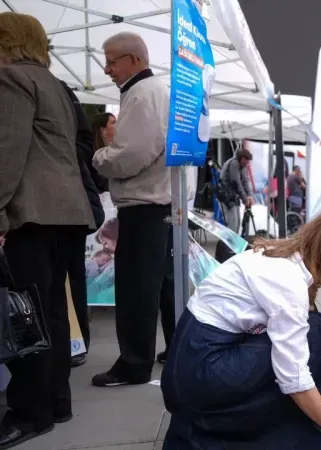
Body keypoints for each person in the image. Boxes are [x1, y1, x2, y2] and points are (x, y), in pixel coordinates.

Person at [161, 208, 321, 450]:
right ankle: (320, 437)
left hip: (189, 366)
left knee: (316, 332)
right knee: (312, 337)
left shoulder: (277, 257)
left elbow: (258, 321)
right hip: (200, 375)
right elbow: (293, 378)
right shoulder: (288, 281)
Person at [0, 12, 95, 447]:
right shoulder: (54, 84)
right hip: (66, 214)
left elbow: (7, 153)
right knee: (52, 312)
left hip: (33, 214)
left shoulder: (13, 79)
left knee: (25, 315)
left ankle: (30, 411)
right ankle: (56, 401)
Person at [91, 31, 175, 387]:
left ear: (135, 60)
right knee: (164, 286)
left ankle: (134, 363)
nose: (107, 69)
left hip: (145, 204)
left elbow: (131, 156)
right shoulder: (156, 91)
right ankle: (175, 350)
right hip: (162, 202)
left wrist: (100, 157)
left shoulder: (142, 94)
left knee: (137, 289)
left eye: (112, 61)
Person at [59, 80, 106, 367]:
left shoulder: (59, 91)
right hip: (73, 205)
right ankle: (75, 344)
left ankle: (75, 344)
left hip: (66, 206)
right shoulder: (63, 91)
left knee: (66, 281)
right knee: (67, 280)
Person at [219, 149, 255, 233]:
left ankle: (233, 243)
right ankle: (229, 244)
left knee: (238, 222)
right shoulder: (234, 164)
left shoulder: (243, 165)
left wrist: (249, 195)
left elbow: (246, 181)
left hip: (233, 196)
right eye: (246, 161)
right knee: (233, 222)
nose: (247, 164)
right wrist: (245, 199)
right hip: (227, 196)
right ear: (242, 158)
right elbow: (237, 183)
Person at [89, 112, 117, 193]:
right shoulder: (90, 154)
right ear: (103, 130)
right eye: (113, 122)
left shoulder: (115, 150)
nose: (118, 125)